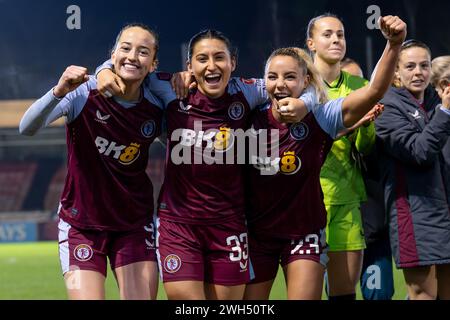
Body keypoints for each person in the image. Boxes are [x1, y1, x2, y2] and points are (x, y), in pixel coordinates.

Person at [96, 29, 312, 300]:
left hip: (229, 224)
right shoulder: (169, 87)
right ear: (189, 66)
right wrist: (103, 70)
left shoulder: (248, 90)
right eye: (202, 59)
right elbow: (129, 67)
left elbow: (304, 84)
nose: (211, 66)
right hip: (178, 224)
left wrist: (305, 103)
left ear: (232, 63)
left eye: (219, 57)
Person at [243, 15, 406, 300]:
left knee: (339, 292)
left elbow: (375, 91)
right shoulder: (248, 112)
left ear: (304, 80)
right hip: (260, 229)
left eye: (290, 77)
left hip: (312, 221)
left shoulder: (323, 113)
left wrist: (394, 44)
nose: (280, 84)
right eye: (272, 77)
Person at [19, 24, 162, 300]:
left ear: (153, 64)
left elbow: (181, 141)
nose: (133, 56)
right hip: (81, 225)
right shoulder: (82, 92)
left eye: (143, 52)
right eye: (126, 48)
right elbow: (27, 127)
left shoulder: (157, 106)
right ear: (113, 54)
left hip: (133, 225)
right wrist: (58, 91)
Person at [306, 13, 376, 300]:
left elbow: (365, 148)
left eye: (341, 34)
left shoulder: (361, 87)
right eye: (328, 34)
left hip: (346, 198)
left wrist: (367, 124)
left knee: (344, 291)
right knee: (306, 292)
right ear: (311, 42)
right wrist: (351, 124)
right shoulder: (300, 84)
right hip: (306, 201)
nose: (336, 39)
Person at [375, 40, 450, 300]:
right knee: (422, 295)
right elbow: (419, 152)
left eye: (424, 65)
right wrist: (445, 113)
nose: (418, 72)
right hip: (414, 213)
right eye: (410, 66)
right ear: (396, 72)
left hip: (445, 211)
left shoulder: (435, 100)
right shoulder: (386, 108)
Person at [341, 58, 395, 300]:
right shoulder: (326, 137)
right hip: (339, 235)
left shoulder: (381, 128)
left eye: (360, 86)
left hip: (375, 234)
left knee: (379, 296)